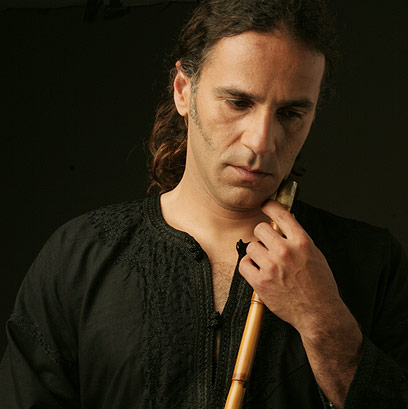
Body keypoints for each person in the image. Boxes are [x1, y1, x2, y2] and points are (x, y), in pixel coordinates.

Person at [1, 0, 408, 408]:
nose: (261, 142)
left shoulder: (373, 264)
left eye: (290, 113)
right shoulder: (78, 257)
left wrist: (323, 321)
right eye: (238, 103)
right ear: (183, 90)